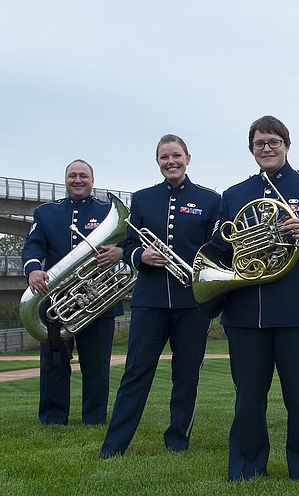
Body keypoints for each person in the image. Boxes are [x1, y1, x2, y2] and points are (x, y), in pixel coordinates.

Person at [205, 115, 299, 481]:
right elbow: (221, 247)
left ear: (287, 145)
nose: (267, 149)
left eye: (273, 142)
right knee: (248, 399)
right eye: (259, 144)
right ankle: (247, 469)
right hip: (246, 312)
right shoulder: (234, 195)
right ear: (251, 149)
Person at [101, 135, 220, 458]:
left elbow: (216, 249)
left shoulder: (210, 200)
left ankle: (178, 439)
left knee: (186, 374)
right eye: (165, 157)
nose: (171, 161)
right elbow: (125, 244)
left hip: (191, 302)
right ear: (158, 162)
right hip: (149, 299)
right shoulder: (141, 199)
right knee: (136, 372)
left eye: (176, 156)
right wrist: (140, 255)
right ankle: (114, 446)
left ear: (188, 158)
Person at [22, 159, 124, 426]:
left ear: (93, 180)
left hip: (98, 299)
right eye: (72, 176)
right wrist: (33, 269)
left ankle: (95, 419)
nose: (78, 180)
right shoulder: (45, 213)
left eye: (83, 176)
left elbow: (128, 243)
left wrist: (120, 252)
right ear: (65, 179)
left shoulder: (107, 210)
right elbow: (33, 247)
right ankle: (53, 419)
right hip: (55, 300)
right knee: (53, 363)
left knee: (97, 365)